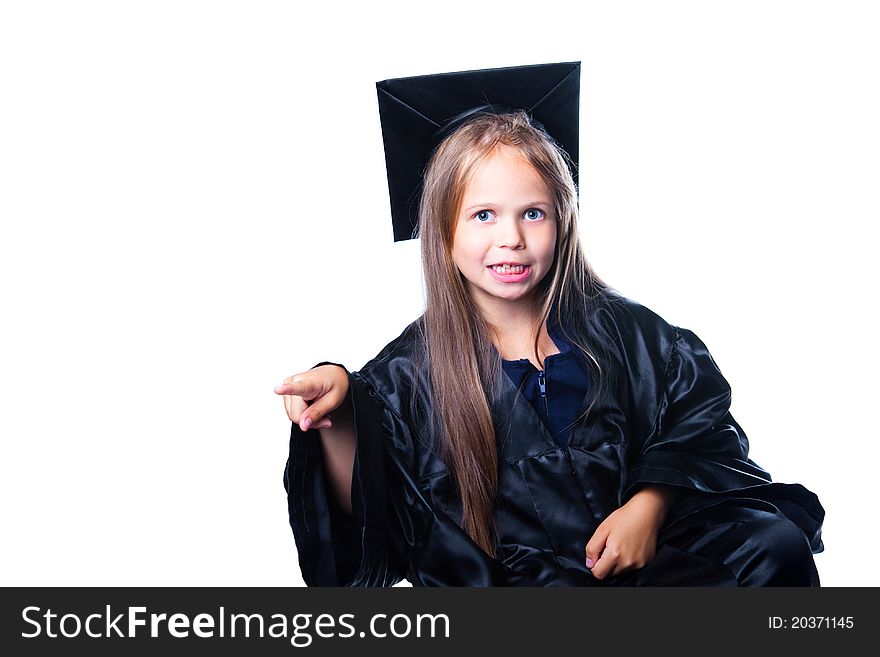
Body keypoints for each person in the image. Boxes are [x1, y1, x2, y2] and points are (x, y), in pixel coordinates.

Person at [275, 62, 824, 587]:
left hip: (652, 562)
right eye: (483, 214)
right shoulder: (407, 376)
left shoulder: (630, 335)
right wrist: (343, 414)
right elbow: (371, 519)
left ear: (562, 220)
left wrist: (648, 507)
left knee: (771, 544)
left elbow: (700, 431)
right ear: (442, 232)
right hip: (520, 589)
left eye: (532, 213)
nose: (510, 237)